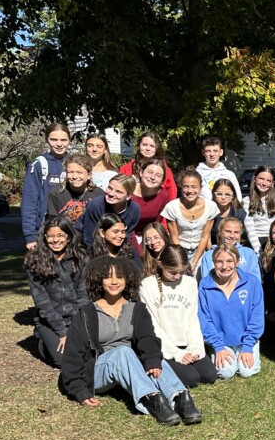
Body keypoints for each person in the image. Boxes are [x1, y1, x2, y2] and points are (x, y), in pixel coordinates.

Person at [60, 255, 201, 425]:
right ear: (99, 280)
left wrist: (153, 361)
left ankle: (181, 398)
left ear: (127, 280)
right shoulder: (86, 314)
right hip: (99, 371)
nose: (114, 281)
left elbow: (147, 338)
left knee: (153, 356)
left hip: (130, 367)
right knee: (123, 352)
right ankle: (153, 399)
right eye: (108, 276)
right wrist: (80, 392)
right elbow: (72, 356)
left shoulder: (137, 309)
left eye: (119, 277)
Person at [139, 245, 218, 389]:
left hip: (186, 342)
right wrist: (176, 354)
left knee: (210, 375)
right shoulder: (147, 286)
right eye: (173, 272)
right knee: (191, 378)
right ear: (160, 264)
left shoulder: (190, 283)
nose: (177, 276)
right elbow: (153, 326)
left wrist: (195, 348)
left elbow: (192, 319)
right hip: (163, 346)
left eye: (181, 272)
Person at [25, 217, 90, 368]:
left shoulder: (81, 258)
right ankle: (44, 343)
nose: (55, 240)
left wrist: (74, 328)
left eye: (60, 235)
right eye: (51, 236)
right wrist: (62, 332)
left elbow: (84, 296)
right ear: (44, 237)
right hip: (50, 322)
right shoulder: (34, 261)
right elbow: (42, 302)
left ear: (69, 237)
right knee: (65, 361)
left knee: (88, 354)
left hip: (77, 319)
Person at [198, 244, 265, 379]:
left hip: (245, 339)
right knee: (226, 372)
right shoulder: (205, 285)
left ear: (237, 261)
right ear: (213, 262)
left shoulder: (252, 282)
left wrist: (247, 347)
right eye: (219, 262)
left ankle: (249, 350)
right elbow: (204, 319)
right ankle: (222, 353)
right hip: (220, 340)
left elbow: (256, 316)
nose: (224, 266)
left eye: (229, 261)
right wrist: (218, 347)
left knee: (247, 371)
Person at [23, 122, 72, 249]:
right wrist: (30, 236)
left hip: (71, 229)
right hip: (46, 230)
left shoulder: (75, 162)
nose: (59, 144)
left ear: (69, 140)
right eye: (54, 139)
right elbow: (30, 201)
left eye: (63, 140)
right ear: (46, 140)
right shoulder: (39, 164)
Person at [162, 168, 219, 272]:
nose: (190, 191)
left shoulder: (210, 206)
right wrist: (182, 261)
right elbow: (174, 238)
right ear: (181, 187)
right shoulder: (172, 207)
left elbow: (205, 236)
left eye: (194, 187)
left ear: (200, 188)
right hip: (179, 251)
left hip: (200, 251)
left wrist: (194, 262)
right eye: (186, 187)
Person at [75, 173, 141, 248]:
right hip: (85, 240)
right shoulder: (96, 205)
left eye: (118, 192)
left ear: (128, 196)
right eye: (110, 188)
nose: (111, 194)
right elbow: (89, 238)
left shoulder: (134, 210)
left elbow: (126, 236)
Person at [242, 166, 275, 252]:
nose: (264, 183)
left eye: (268, 180)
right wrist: (258, 251)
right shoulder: (246, 201)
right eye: (261, 179)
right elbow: (250, 229)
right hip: (257, 241)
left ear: (273, 184)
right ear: (254, 179)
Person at [118, 131, 177, 201]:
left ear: (157, 148)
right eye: (144, 145)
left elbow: (172, 195)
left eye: (152, 146)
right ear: (139, 146)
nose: (148, 148)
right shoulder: (126, 169)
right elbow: (119, 190)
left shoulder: (166, 171)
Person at [197, 217, 260, 281]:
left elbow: (255, 280)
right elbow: (207, 281)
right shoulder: (208, 255)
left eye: (236, 232)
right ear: (220, 232)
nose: (232, 236)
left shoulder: (249, 253)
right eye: (228, 231)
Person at [47, 153, 103, 225]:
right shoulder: (56, 193)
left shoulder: (99, 195)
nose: (74, 176)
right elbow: (52, 222)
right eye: (70, 172)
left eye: (79, 172)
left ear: (89, 175)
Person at [130, 159, 171, 242]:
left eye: (158, 175)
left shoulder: (163, 195)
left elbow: (156, 223)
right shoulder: (128, 190)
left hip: (147, 237)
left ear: (162, 181)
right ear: (141, 173)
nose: (152, 177)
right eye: (149, 172)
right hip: (126, 234)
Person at [195, 136, 242, 201]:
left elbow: (238, 198)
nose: (212, 154)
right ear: (203, 152)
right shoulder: (196, 174)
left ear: (221, 152)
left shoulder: (229, 175)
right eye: (208, 151)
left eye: (215, 151)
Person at [209, 178, 247, 246]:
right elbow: (206, 236)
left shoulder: (238, 212)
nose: (223, 197)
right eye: (219, 194)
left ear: (233, 196)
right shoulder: (209, 211)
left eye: (227, 194)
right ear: (214, 195)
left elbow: (239, 235)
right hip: (214, 246)